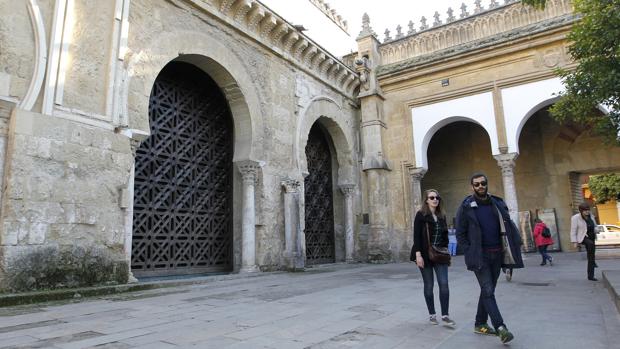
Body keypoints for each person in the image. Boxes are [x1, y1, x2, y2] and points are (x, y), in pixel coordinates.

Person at [456, 173, 523, 344]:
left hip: (497, 254)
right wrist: (468, 251)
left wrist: (514, 245)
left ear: (487, 184)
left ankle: (480, 323)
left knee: (488, 290)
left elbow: (509, 225)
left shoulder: (497, 203)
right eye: (476, 184)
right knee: (488, 290)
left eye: (483, 183)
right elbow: (460, 233)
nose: (480, 186)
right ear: (472, 187)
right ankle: (501, 327)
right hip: (480, 256)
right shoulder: (466, 206)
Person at [412, 189, 456, 328]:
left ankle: (445, 315)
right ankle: (432, 314)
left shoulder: (441, 215)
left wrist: (447, 254)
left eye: (437, 197)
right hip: (424, 255)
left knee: (444, 284)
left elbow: (445, 237)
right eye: (432, 197)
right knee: (429, 285)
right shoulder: (420, 215)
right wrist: (418, 255)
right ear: (426, 200)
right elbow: (417, 236)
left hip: (440, 254)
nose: (435, 199)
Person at [570, 203, 598, 281]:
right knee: (590, 245)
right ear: (581, 211)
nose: (587, 212)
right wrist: (574, 241)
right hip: (583, 237)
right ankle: (592, 261)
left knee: (591, 256)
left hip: (592, 236)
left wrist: (597, 229)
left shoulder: (591, 216)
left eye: (588, 210)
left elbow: (595, 226)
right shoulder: (575, 218)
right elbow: (573, 230)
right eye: (585, 211)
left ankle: (591, 276)